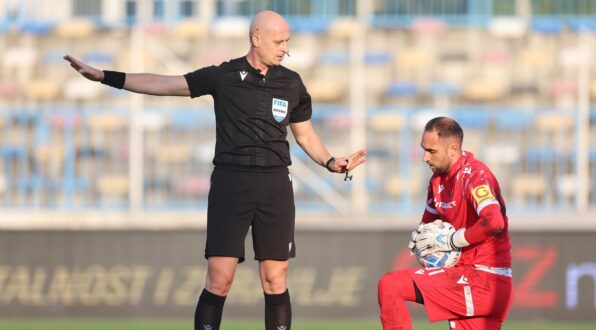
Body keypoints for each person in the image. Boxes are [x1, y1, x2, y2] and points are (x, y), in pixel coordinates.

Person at [64, 10, 366, 330]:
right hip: (231, 182)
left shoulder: (292, 83)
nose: (285, 48)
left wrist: (331, 162)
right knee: (220, 280)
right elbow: (164, 84)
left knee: (275, 279)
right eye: (279, 41)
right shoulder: (223, 76)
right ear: (256, 39)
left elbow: (304, 133)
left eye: (287, 41)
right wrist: (106, 76)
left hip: (276, 184)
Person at [377, 117, 512, 330]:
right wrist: (423, 242)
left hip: (483, 279)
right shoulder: (437, 181)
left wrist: (453, 239)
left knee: (391, 285)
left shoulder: (474, 175)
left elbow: (494, 221)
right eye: (423, 149)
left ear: (453, 148)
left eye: (431, 151)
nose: (424, 157)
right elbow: (428, 225)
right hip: (473, 280)